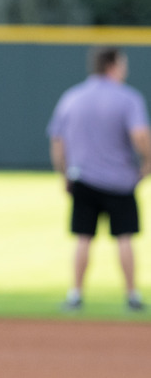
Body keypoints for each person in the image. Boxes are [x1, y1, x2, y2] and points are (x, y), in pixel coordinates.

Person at [48, 46, 151, 312]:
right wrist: (148, 162)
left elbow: (57, 142)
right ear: (113, 65)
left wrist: (64, 174)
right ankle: (132, 296)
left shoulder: (72, 96)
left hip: (83, 179)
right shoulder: (128, 98)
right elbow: (140, 136)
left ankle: (75, 295)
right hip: (120, 180)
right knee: (125, 237)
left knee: (83, 238)